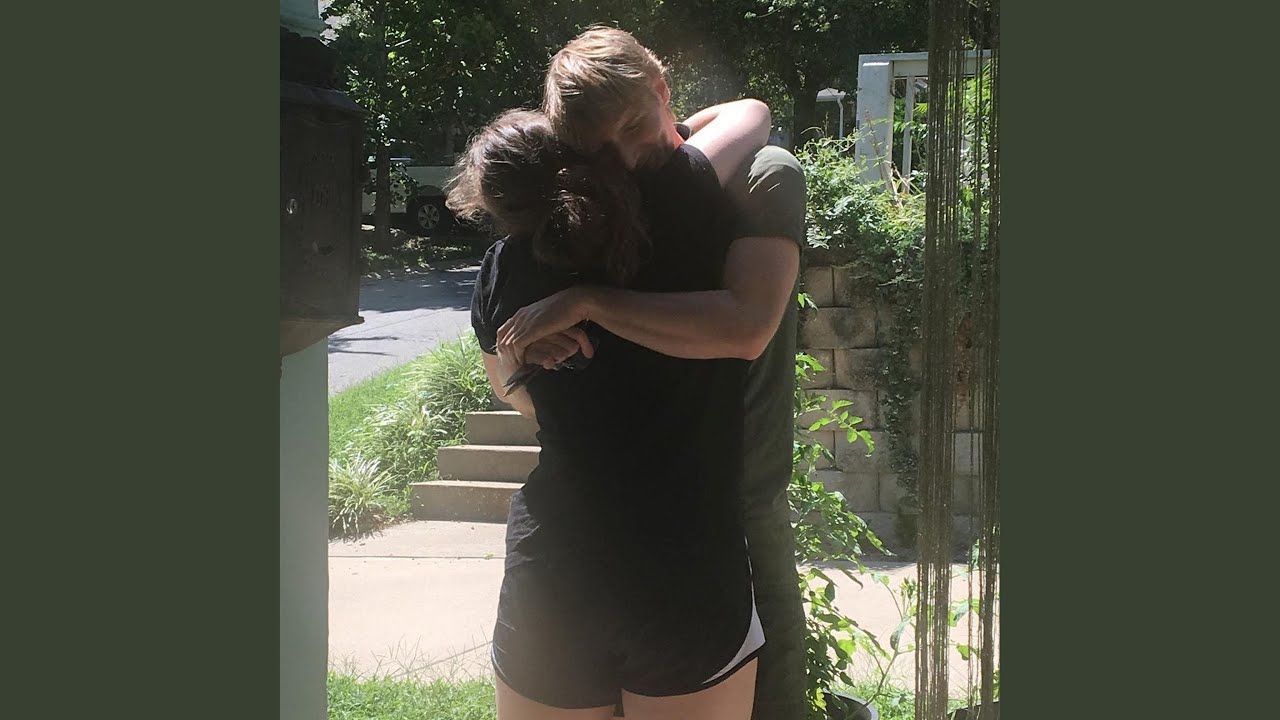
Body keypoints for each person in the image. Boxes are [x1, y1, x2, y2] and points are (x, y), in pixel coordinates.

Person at [495, 27, 808, 720]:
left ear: (663, 87)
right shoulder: (686, 185)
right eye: (604, 147)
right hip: (675, 546)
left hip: (599, 538)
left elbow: (508, 386)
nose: (631, 157)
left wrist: (585, 310)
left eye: (636, 125)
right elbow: (752, 112)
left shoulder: (547, 231)